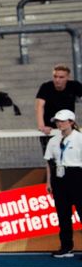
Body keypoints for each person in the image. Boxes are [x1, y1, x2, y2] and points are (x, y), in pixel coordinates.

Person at [44, 108, 82, 257]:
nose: (59, 124)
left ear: (71, 122)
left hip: (77, 176)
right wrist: (49, 182)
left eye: (62, 121)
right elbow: (49, 162)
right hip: (59, 177)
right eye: (57, 121)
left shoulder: (79, 138)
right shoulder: (53, 140)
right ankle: (66, 247)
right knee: (63, 214)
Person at [35, 64, 82, 151]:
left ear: (67, 77)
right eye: (55, 76)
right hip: (50, 129)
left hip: (68, 128)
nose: (57, 80)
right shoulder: (46, 87)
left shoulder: (74, 85)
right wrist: (41, 126)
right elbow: (39, 106)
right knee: (50, 159)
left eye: (61, 77)